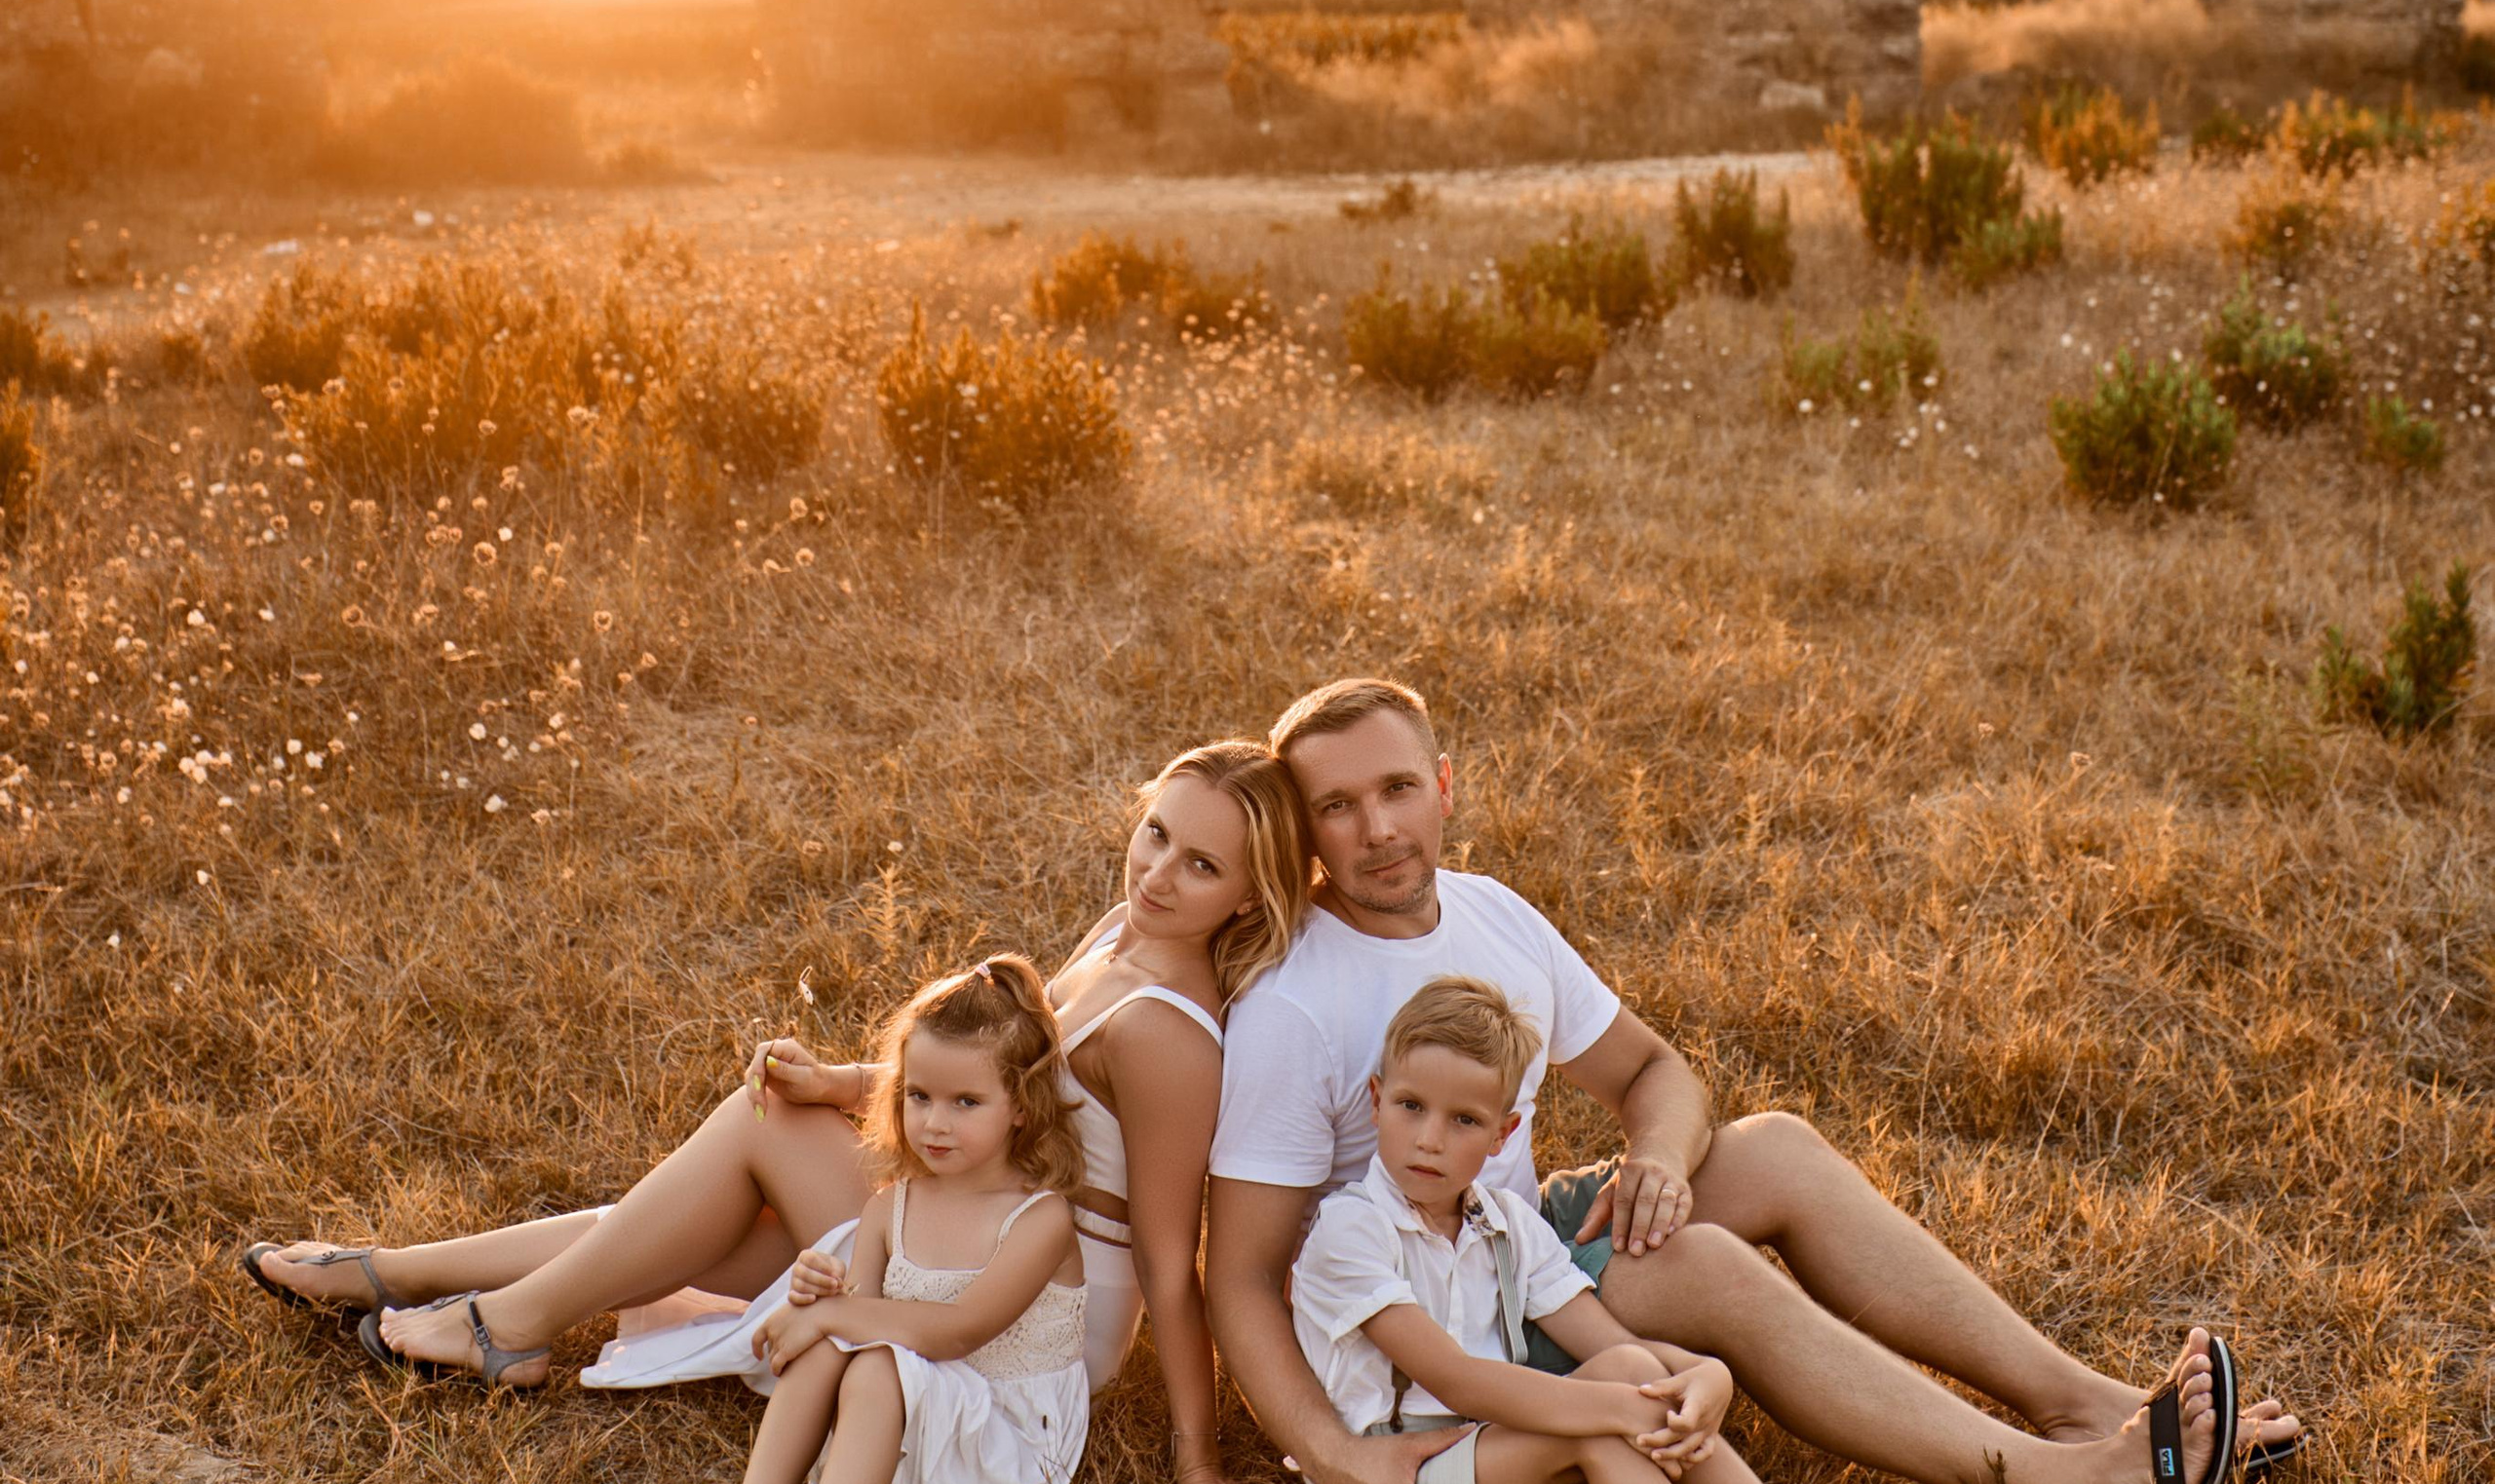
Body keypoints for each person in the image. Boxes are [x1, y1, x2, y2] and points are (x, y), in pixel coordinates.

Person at [1206, 677, 2297, 1484]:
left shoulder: (1490, 909)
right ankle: (2054, 1474)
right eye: (1338, 806)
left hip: (1508, 1222)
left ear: (1444, 785)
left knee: (1772, 1144)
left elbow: (1649, 1069)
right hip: (1432, 1301)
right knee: (1698, 1261)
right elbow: (1242, 1274)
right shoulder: (1295, 1000)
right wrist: (1335, 1449)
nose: (1379, 827)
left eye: (1398, 787)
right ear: (1303, 831)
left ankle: (2093, 1406)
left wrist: (1656, 1159)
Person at [245, 739, 1308, 1484]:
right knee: (713, 1213)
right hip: (959, 1204)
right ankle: (400, 1272)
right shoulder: (1127, 926)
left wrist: (1195, 1454)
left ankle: (498, 1324)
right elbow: (1007, 1079)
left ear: (1249, 894)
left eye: (1200, 864)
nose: (1160, 872)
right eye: (1156, 833)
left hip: (1025, 1291)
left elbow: (1175, 1260)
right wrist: (847, 1084)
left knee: (759, 1135)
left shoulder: (1170, 1030)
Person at [1292, 975, 1748, 1484]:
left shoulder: (1506, 1222)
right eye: (1411, 1106)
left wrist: (1706, 1372)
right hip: (1395, 1463)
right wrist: (1623, 1410)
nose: (1429, 1140)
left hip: (1485, 1444)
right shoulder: (1351, 1228)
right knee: (1602, 1424)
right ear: (1377, 1101)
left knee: (1629, 1367)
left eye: (1464, 1119)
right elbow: (1456, 1380)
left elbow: (1609, 1343)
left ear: (1502, 1134)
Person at [735, 955, 1087, 1484]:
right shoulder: (889, 1209)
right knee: (829, 1341)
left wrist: (834, 1316)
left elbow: (958, 1332)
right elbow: (859, 1319)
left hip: (1006, 1437)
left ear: (1021, 1105)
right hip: (906, 1412)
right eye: (919, 1097)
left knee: (870, 1360)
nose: (935, 1124)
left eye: (966, 1102)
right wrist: (823, 1296)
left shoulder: (1040, 1219)